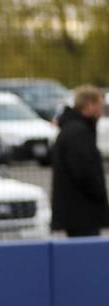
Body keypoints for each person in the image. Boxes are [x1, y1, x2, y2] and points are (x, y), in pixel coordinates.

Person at [51, 85, 109, 237]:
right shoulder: (78, 133)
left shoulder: (73, 129)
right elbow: (84, 172)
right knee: (86, 255)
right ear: (89, 105)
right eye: (99, 106)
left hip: (78, 212)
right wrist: (99, 193)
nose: (102, 112)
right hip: (81, 213)